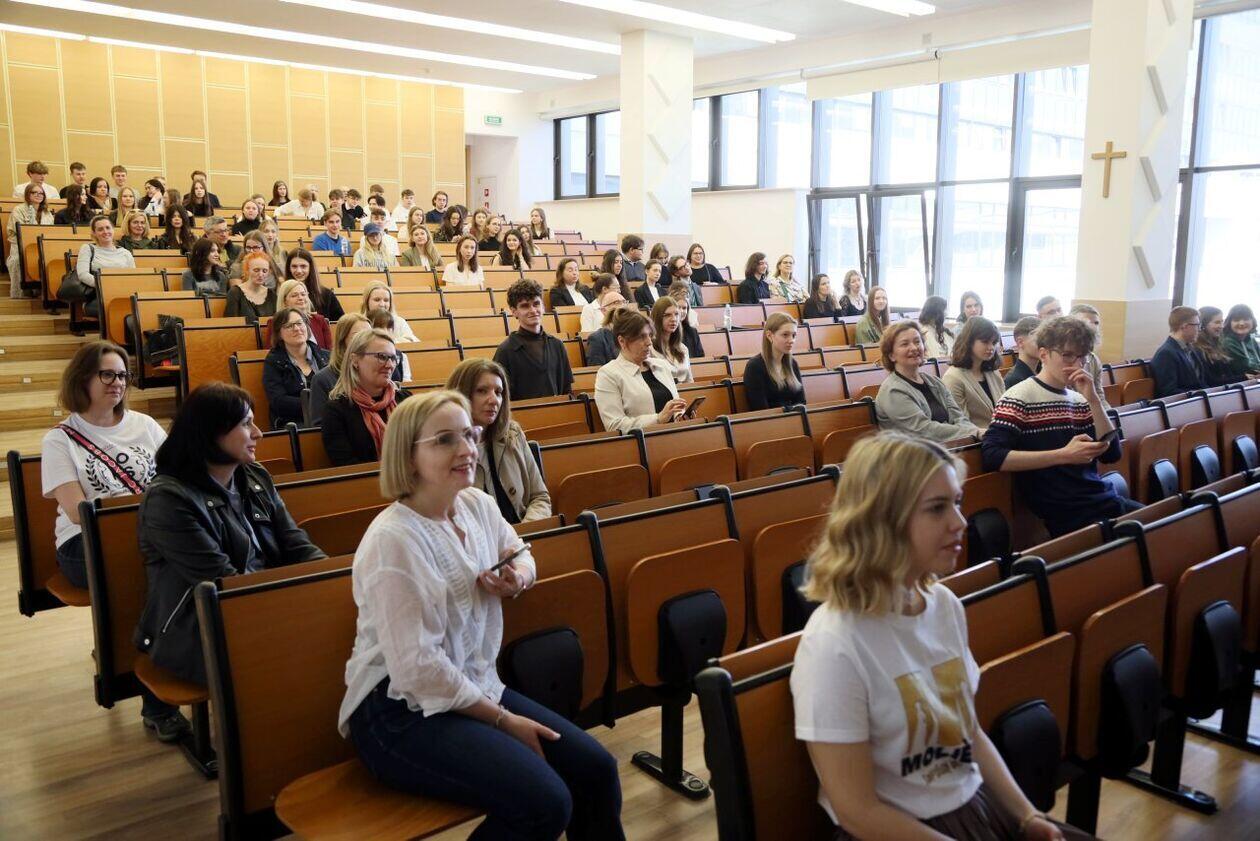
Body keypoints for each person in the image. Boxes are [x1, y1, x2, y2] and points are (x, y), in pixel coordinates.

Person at [338, 390, 624, 839]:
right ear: (408, 456)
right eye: (445, 440)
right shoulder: (393, 540)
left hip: (473, 685)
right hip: (398, 713)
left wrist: (519, 578)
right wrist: (504, 720)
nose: (467, 448)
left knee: (597, 771)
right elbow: (417, 669)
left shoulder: (476, 504)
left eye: (470, 435)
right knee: (545, 804)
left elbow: (522, 553)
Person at [792, 432, 1085, 841]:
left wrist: (1027, 817)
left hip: (971, 805)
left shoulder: (943, 604)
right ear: (882, 519)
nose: (960, 522)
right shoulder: (834, 643)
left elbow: (968, 734)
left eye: (957, 502)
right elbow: (857, 812)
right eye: (937, 508)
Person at [136, 383, 326, 687]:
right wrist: (295, 608)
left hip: (262, 606)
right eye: (246, 424)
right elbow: (223, 583)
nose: (258, 433)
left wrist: (330, 580)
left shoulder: (254, 476)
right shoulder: (169, 499)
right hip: (202, 627)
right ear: (211, 431)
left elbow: (296, 542)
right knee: (323, 654)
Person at [42, 341, 184, 742]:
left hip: (150, 538)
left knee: (183, 571)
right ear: (82, 379)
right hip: (84, 545)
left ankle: (182, 670)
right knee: (156, 579)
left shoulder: (145, 425)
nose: (117, 382)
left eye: (122, 375)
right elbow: (78, 512)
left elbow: (176, 480)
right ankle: (158, 704)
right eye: (107, 374)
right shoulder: (60, 439)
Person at [983, 316, 1139, 536]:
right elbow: (992, 456)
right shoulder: (1018, 397)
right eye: (1067, 356)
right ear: (1044, 354)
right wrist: (1063, 455)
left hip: (1102, 500)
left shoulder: (1080, 399)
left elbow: (1112, 454)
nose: (1076, 365)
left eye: (1082, 357)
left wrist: (1094, 401)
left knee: (1168, 522)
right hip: (1068, 513)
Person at [447, 359, 552, 524]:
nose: (494, 400)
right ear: (461, 395)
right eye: (482, 391)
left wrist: (526, 529)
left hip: (524, 534)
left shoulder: (513, 434)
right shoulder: (444, 449)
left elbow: (540, 497)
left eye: (498, 392)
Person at [875, 321, 980, 444]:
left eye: (917, 342)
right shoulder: (892, 391)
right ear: (891, 355)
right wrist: (975, 433)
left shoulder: (936, 382)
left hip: (950, 447)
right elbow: (924, 430)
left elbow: (959, 417)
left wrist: (975, 431)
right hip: (913, 453)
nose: (914, 348)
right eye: (905, 344)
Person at [321, 329, 410, 465]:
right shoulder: (336, 410)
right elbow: (347, 465)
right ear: (355, 360)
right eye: (382, 356)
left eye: (393, 358)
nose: (390, 365)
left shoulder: (405, 400)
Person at [594, 309, 687, 433]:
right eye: (641, 337)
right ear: (622, 341)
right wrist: (658, 419)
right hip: (641, 442)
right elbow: (614, 425)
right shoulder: (608, 374)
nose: (649, 342)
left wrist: (680, 415)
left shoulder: (661, 365)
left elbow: (673, 407)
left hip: (674, 435)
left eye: (650, 335)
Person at [494, 280, 574, 400]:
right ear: (514, 311)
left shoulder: (557, 345)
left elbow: (566, 390)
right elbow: (502, 397)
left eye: (536, 304)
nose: (532, 310)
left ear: (543, 307)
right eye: (525, 306)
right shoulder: (505, 351)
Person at [262, 308, 330, 429]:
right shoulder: (273, 361)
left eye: (299, 323)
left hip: (329, 417)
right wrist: (317, 404)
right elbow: (278, 401)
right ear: (279, 333)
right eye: (289, 326)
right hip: (293, 422)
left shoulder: (327, 356)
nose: (297, 329)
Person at [942, 317, 1006, 432]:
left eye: (994, 343)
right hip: (977, 439)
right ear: (969, 341)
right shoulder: (953, 378)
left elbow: (1005, 411)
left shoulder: (993, 373)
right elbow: (962, 424)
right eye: (985, 342)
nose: (991, 348)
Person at [307, 314, 370, 425]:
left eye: (369, 336)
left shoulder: (376, 373)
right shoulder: (322, 379)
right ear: (342, 340)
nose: (365, 341)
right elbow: (320, 425)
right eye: (357, 336)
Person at [744, 312, 806, 410]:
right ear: (769, 336)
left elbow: (801, 403)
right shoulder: (755, 367)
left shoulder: (793, 364)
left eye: (794, 335)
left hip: (794, 418)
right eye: (785, 335)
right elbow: (760, 409)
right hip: (770, 419)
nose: (791, 340)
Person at [77, 216, 135, 317]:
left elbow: (133, 277)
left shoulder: (125, 253)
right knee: (118, 309)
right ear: (94, 233)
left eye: (108, 228)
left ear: (113, 230)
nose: (105, 231)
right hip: (98, 296)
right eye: (100, 229)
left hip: (123, 295)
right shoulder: (87, 248)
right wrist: (107, 286)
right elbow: (83, 274)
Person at [6, 182, 54, 297]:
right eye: (34, 192)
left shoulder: (47, 212)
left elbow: (51, 231)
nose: (38, 195)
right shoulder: (18, 210)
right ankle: (21, 292)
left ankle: (42, 292)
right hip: (21, 245)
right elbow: (18, 231)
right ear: (28, 194)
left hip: (42, 245)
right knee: (16, 261)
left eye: (41, 193)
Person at [1150, 306, 1207, 398]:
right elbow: (1168, 391)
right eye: (1197, 325)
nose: (1199, 329)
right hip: (1183, 403)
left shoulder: (1191, 349)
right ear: (1184, 326)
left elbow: (1200, 382)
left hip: (1196, 400)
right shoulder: (1166, 354)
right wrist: (1198, 395)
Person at [268, 279, 333, 349]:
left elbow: (329, 351)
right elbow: (271, 351)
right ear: (284, 301)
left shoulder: (319, 320)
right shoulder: (275, 322)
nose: (300, 298)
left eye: (303, 294)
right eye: (294, 295)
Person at [288, 247, 343, 321]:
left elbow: (340, 322)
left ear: (310, 268)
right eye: (294, 266)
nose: (299, 271)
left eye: (303, 266)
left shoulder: (327, 295)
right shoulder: (281, 293)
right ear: (289, 268)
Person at [224, 253, 278, 321]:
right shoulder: (235, 292)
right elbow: (231, 323)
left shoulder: (271, 295)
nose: (261, 274)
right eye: (256, 270)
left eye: (264, 271)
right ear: (247, 271)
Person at [584, 289, 630, 368]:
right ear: (603, 310)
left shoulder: (636, 333)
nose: (622, 305)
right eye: (616, 302)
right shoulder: (597, 339)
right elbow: (596, 370)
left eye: (624, 302)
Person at [650, 297, 692, 384]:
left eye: (676, 314)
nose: (673, 319)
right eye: (667, 315)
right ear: (657, 318)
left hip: (685, 391)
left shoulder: (683, 349)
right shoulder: (649, 349)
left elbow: (689, 381)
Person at [1068, 304, 1106, 396]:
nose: (1093, 328)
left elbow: (1099, 395)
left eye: (1096, 323)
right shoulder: (1060, 358)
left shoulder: (1094, 360)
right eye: (1086, 322)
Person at [1195, 306, 1237, 387]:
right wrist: (1244, 378)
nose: (1221, 326)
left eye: (1222, 322)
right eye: (1217, 322)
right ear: (1203, 324)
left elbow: (1228, 376)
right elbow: (1211, 381)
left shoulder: (1218, 345)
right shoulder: (1197, 350)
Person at [668, 282, 705, 360]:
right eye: (678, 307)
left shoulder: (692, 332)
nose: (682, 311)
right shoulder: (666, 333)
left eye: (684, 308)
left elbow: (700, 357)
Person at [1222, 304, 1260, 379]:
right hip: (1237, 383)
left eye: (1246, 319)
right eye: (1236, 320)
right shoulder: (1227, 342)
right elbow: (1246, 368)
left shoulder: (1251, 340)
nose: (1242, 323)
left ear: (1252, 321)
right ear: (1229, 323)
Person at [1004, 317, 1042, 389]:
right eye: (1038, 340)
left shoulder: (1042, 371)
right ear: (1020, 342)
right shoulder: (1014, 380)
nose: (1044, 344)